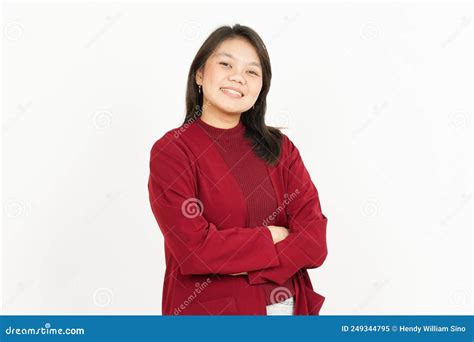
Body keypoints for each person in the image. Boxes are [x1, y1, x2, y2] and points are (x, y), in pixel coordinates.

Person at [148, 24, 328, 315]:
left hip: (289, 310)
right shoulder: (173, 151)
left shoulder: (281, 149)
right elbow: (194, 250)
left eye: (252, 72)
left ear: (261, 87)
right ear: (199, 74)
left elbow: (314, 242)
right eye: (225, 64)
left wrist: (241, 262)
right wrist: (272, 236)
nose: (238, 77)